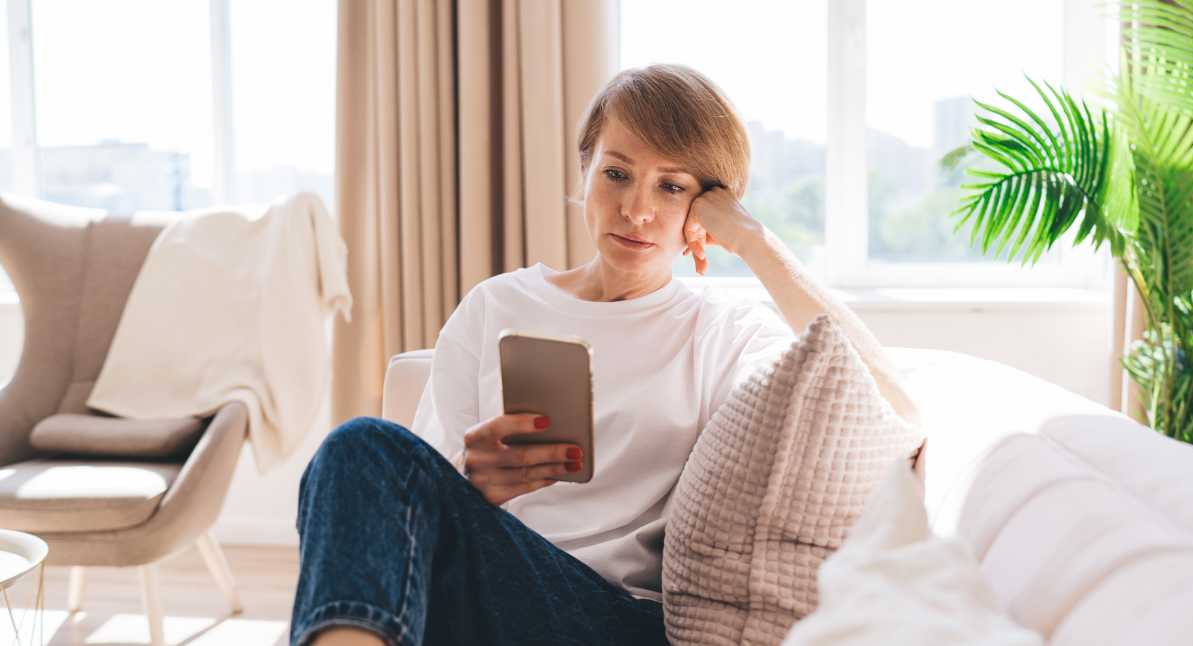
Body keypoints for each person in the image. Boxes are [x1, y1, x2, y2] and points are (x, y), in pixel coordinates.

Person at [290, 64, 920, 646]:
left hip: (615, 618)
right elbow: (407, 511)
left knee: (358, 449)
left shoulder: (721, 328)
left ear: (705, 214)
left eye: (672, 188)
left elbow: (893, 412)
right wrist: (470, 478)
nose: (637, 209)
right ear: (585, 171)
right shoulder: (496, 305)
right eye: (617, 174)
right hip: (491, 583)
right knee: (357, 449)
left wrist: (752, 240)